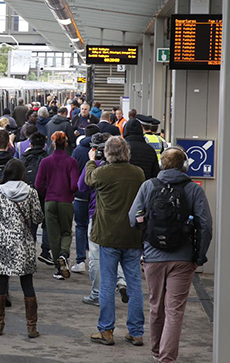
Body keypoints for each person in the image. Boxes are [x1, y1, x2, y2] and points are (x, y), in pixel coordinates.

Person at [129, 146, 212, 361]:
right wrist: (199, 256)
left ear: (161, 165)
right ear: (185, 166)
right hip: (183, 259)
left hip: (153, 258)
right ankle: (166, 358)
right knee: (174, 310)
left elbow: (132, 218)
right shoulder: (194, 189)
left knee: (156, 306)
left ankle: (156, 351)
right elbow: (205, 225)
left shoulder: (148, 186)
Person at [84, 136, 146, 346]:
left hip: (108, 235)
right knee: (135, 283)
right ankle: (136, 332)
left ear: (108, 153)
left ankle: (106, 331)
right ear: (126, 152)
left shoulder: (103, 172)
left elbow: (88, 179)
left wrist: (91, 159)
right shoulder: (138, 173)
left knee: (108, 283)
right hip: (132, 235)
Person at [0, 159, 44, 338]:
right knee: (27, 284)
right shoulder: (31, 192)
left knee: (0, 284)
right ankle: (31, 328)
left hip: (2, 240)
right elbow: (38, 217)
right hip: (23, 241)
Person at [78, 133, 128, 306]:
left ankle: (97, 293)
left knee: (96, 256)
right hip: (122, 217)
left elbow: (82, 186)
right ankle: (121, 281)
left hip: (97, 215)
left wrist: (90, 161)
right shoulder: (129, 170)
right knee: (117, 252)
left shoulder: (97, 169)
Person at [35, 131, 78, 280]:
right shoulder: (72, 162)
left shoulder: (45, 162)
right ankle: (64, 254)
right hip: (66, 201)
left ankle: (58, 267)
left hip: (50, 201)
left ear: (52, 144)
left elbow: (38, 184)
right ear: (66, 144)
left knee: (53, 235)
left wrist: (48, 191)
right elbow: (74, 185)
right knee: (66, 232)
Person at [19, 132, 51, 265]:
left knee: (30, 225)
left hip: (27, 195)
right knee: (47, 225)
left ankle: (28, 252)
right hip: (44, 195)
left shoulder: (23, 159)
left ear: (30, 144)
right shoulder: (47, 159)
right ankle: (45, 251)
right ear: (44, 145)